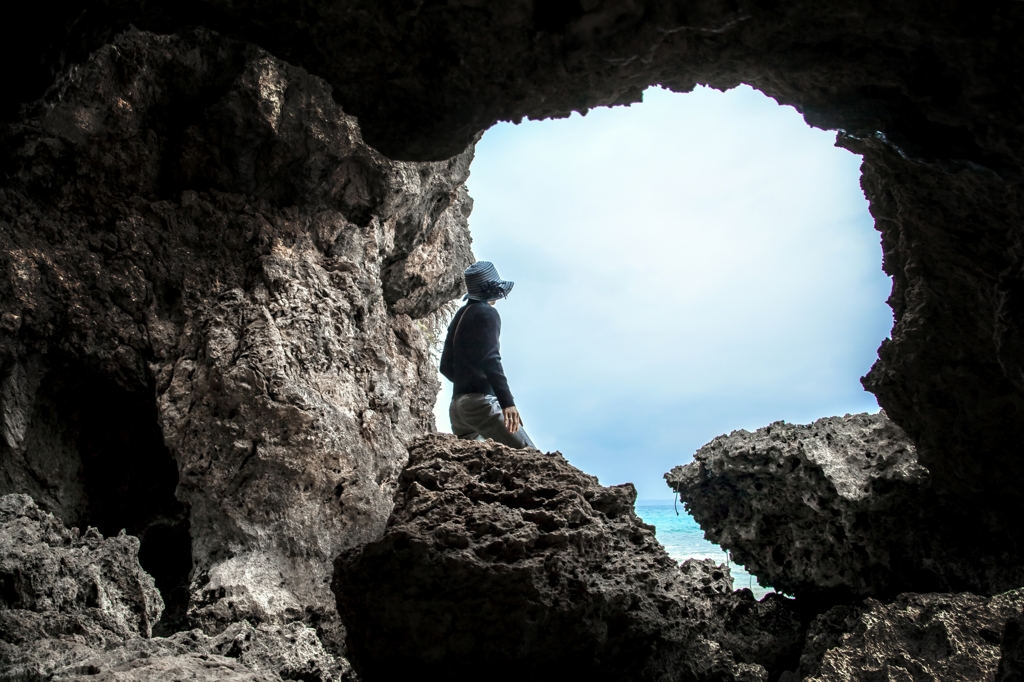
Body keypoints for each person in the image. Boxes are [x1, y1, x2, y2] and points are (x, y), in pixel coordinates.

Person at [439, 261, 536, 449]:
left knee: (478, 468)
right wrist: (507, 403)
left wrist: (466, 384)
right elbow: (491, 359)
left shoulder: (461, 314)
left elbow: (445, 366)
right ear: (493, 290)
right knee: (529, 457)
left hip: (458, 408)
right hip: (481, 405)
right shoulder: (488, 313)